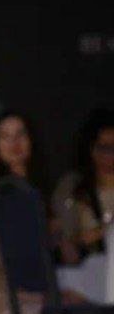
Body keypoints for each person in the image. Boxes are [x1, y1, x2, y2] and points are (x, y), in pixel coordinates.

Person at [0, 111, 50, 314]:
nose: (14, 143)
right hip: (16, 297)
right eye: (5, 137)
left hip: (46, 287)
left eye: (20, 135)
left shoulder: (37, 187)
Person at [56, 107, 114, 303]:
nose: (110, 156)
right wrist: (103, 231)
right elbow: (67, 241)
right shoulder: (73, 187)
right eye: (104, 148)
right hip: (88, 270)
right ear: (90, 149)